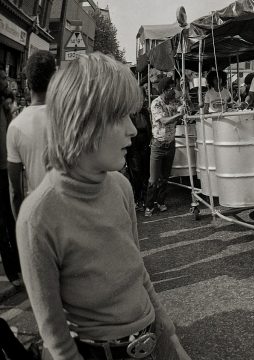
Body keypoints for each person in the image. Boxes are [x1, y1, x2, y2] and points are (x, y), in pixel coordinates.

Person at [16, 52, 190, 360]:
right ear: (83, 122)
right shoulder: (37, 217)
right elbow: (53, 331)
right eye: (120, 117)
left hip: (152, 338)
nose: (133, 130)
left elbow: (137, 271)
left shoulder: (121, 186)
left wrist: (168, 332)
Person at [7, 51, 56, 217]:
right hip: (72, 213)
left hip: (38, 212)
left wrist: (21, 227)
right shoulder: (69, 118)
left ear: (28, 83)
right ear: (54, 80)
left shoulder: (16, 126)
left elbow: (15, 191)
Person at [145, 77, 184, 217]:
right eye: (170, 89)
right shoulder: (156, 103)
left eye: (173, 88)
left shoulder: (174, 102)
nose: (173, 91)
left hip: (170, 144)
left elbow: (186, 105)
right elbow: (164, 121)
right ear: (163, 90)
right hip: (158, 145)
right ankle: (149, 205)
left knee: (165, 177)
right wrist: (179, 114)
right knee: (153, 178)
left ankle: (160, 202)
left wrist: (185, 103)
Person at [0, 75, 20, 287]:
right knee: (8, 217)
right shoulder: (6, 104)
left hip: (5, 166)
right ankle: (16, 270)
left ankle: (15, 270)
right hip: (5, 165)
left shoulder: (6, 104)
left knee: (8, 217)